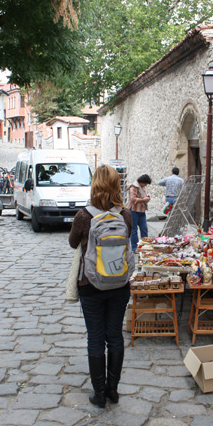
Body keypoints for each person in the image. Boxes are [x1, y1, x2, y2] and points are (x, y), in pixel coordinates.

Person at [69, 164, 132, 408]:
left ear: (94, 184)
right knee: (115, 336)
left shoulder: (83, 216)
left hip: (90, 284)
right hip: (119, 283)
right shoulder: (125, 214)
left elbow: (73, 243)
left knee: (95, 338)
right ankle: (113, 390)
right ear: (117, 185)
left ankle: (99, 394)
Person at [127, 174, 151, 252]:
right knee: (134, 230)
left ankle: (144, 246)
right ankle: (135, 247)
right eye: (145, 184)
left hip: (142, 210)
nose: (145, 185)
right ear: (142, 182)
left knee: (144, 229)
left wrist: (148, 197)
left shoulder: (142, 187)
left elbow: (144, 196)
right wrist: (144, 199)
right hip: (134, 210)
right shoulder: (133, 187)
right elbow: (133, 199)